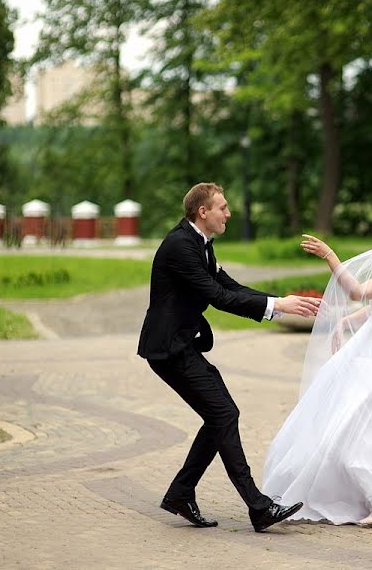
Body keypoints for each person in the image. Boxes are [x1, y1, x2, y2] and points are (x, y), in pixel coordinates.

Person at [137, 182, 321, 532]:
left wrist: (279, 302)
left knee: (220, 415)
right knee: (223, 413)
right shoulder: (180, 246)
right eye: (222, 207)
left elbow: (230, 285)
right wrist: (276, 306)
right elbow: (217, 296)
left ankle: (181, 493)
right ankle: (257, 506)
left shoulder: (200, 244)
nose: (229, 213)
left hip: (182, 345)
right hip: (168, 349)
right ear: (202, 212)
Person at [262, 208, 372, 526]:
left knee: (356, 425)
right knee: (354, 425)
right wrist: (346, 319)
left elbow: (359, 292)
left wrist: (329, 255)